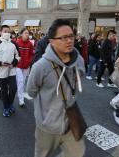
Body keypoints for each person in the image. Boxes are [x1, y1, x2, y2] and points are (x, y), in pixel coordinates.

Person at [27, 19, 86, 157]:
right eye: (64, 37)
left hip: (71, 120)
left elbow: (79, 76)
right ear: (52, 41)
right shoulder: (41, 66)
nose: (69, 41)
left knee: (77, 153)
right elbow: (31, 91)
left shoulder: (78, 60)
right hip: (47, 125)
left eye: (71, 36)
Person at [0, 25, 20, 117]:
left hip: (12, 70)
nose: (7, 33)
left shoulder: (14, 44)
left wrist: (13, 63)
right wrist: (0, 63)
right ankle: (6, 107)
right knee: (4, 91)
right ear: (1, 32)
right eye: (5, 31)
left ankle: (10, 104)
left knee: (13, 89)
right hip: (1, 71)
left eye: (8, 31)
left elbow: (18, 56)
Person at [16, 28, 34, 107]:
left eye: (28, 33)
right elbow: (14, 54)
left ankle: (20, 95)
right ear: (21, 34)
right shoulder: (17, 42)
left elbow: (31, 54)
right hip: (18, 66)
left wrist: (29, 62)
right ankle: (21, 100)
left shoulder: (30, 44)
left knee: (23, 82)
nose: (27, 35)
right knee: (20, 81)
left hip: (26, 66)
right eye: (25, 33)